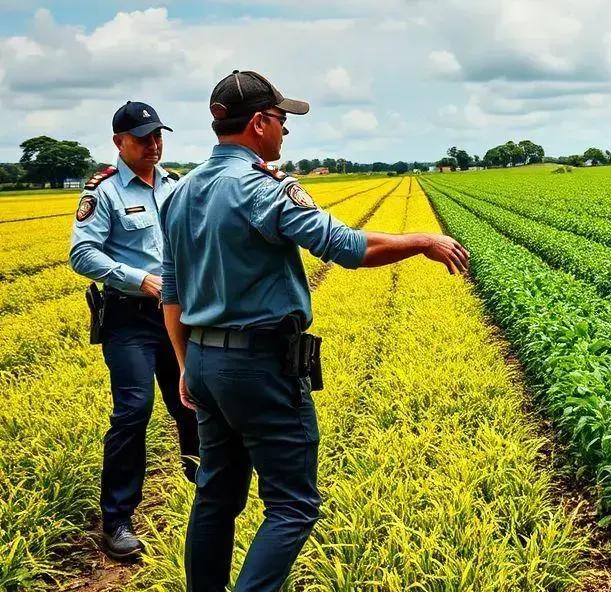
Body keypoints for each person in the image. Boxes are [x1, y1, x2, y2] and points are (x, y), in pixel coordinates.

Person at [159, 70, 470, 591]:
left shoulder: (182, 190)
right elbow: (348, 248)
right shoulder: (263, 190)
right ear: (259, 123)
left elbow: (172, 290)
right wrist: (421, 240)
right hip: (258, 367)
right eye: (282, 120)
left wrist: (186, 364)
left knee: (215, 496)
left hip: (205, 361)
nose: (285, 131)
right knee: (292, 505)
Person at [68, 101, 200, 560]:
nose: (154, 144)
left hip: (178, 314)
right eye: (143, 138)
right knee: (133, 410)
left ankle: (204, 488)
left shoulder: (176, 185)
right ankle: (118, 519)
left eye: (158, 136)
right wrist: (139, 278)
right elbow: (82, 254)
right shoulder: (103, 192)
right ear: (118, 142)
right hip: (130, 319)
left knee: (192, 399)